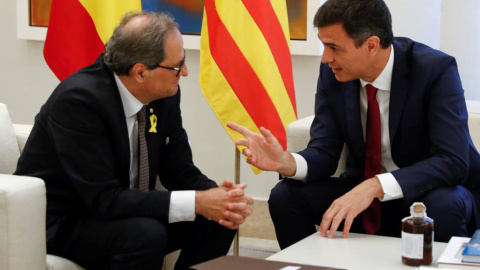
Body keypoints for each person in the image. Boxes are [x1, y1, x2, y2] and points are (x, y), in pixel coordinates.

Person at [227, 0, 480, 249]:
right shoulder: (333, 73)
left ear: (371, 45)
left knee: (446, 203)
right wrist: (286, 162)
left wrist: (375, 186)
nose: (326, 58)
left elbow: (453, 161)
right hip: (363, 195)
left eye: (334, 48)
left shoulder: (434, 69)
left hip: (425, 195)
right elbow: (324, 152)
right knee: (286, 196)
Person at [15, 11, 254, 270]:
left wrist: (219, 198)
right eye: (177, 65)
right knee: (145, 234)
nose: (184, 72)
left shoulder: (165, 94)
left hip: (122, 209)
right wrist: (198, 202)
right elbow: (104, 200)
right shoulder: (79, 101)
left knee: (220, 219)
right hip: (67, 220)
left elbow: (180, 170)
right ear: (140, 72)